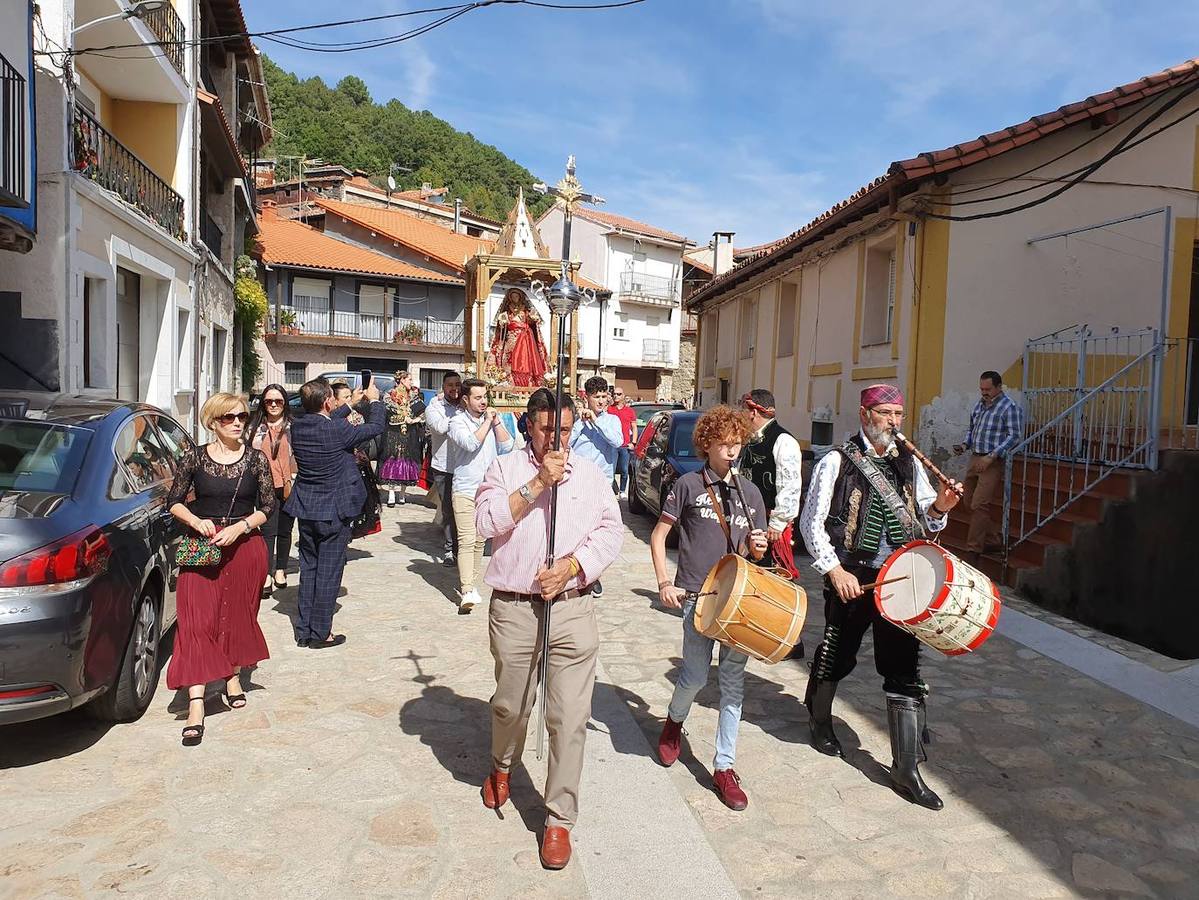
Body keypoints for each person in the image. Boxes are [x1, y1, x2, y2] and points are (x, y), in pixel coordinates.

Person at [475, 388, 624, 869]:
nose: (556, 438)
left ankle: (559, 819)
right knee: (509, 707)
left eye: (563, 429)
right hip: (515, 608)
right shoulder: (505, 469)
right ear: (528, 427)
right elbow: (485, 522)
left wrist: (575, 565)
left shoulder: (594, 477)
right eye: (546, 429)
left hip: (572, 609)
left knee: (568, 718)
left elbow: (611, 530)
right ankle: (502, 764)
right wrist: (538, 483)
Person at [798, 384, 961, 810]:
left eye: (899, 414)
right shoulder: (837, 460)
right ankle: (818, 719)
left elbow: (927, 527)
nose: (894, 422)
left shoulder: (910, 464)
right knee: (838, 653)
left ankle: (906, 768)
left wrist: (941, 508)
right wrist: (834, 570)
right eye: (886, 413)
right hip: (852, 575)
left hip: (901, 577)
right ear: (865, 413)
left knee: (903, 665)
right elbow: (811, 523)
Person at [650, 406, 767, 811]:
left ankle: (724, 766)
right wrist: (666, 582)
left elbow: (758, 551)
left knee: (732, 684)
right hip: (699, 596)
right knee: (695, 677)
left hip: (738, 599)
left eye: (737, 443)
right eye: (724, 444)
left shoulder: (750, 493)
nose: (732, 450)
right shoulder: (687, 484)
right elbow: (659, 534)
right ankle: (673, 724)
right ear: (708, 444)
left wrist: (759, 548)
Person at [166, 393, 275, 746]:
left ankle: (231, 676)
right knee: (196, 622)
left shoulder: (255, 460)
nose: (238, 422)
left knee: (238, 617)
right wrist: (198, 522)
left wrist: (241, 527)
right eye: (229, 417)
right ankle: (197, 702)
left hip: (245, 548)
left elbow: (268, 506)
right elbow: (174, 502)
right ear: (213, 421)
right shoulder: (193, 458)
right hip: (203, 548)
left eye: (242, 416)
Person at [285, 377, 386, 649]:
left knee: (310, 568)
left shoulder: (299, 426)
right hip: (334, 511)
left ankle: (304, 629)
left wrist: (351, 403)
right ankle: (321, 633)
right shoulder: (338, 430)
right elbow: (376, 427)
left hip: (307, 508)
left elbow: (325, 420)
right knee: (329, 572)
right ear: (328, 401)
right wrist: (374, 401)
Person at [448, 378, 514, 612]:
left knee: (478, 541)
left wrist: (496, 423)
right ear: (465, 400)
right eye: (477, 397)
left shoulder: (490, 420)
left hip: (487, 490)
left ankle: (471, 584)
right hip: (465, 489)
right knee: (466, 540)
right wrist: (486, 422)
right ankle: (466, 589)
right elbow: (469, 443)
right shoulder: (457, 422)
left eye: (485, 397)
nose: (483, 401)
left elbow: (507, 447)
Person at [953, 370, 1023, 560]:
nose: (984, 392)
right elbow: (972, 429)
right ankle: (993, 539)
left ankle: (973, 550)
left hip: (992, 461)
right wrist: (964, 445)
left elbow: (1014, 436)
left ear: (999, 387)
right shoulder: (979, 405)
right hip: (975, 456)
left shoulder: (1009, 407)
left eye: (988, 389)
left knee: (979, 504)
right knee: (967, 501)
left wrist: (991, 457)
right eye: (981, 389)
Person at [739, 389, 804, 579]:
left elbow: (790, 484)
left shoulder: (783, 441)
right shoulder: (749, 439)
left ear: (753, 412)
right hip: (747, 518)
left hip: (769, 523)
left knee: (769, 573)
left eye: (744, 409)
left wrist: (778, 522)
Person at [569, 376, 623, 597]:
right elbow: (566, 442)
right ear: (587, 398)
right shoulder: (577, 422)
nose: (600, 401)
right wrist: (581, 424)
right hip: (578, 480)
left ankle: (595, 574)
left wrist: (597, 422)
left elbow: (617, 442)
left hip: (603, 482)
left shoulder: (611, 421)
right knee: (578, 529)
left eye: (603, 397)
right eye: (596, 397)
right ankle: (580, 572)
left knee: (599, 531)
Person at [247, 384, 297, 598]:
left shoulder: (293, 427)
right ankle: (266, 573)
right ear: (263, 404)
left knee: (285, 530)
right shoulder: (254, 427)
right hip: (262, 485)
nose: (274, 405)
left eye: (278, 401)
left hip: (288, 484)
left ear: (285, 402)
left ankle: (280, 569)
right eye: (269, 401)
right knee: (267, 531)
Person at [425, 371, 463, 566]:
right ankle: (450, 549)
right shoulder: (435, 407)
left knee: (465, 510)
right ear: (443, 387)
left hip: (466, 466)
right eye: (450, 385)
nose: (454, 389)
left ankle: (463, 547)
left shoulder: (467, 405)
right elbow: (440, 427)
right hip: (444, 466)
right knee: (448, 510)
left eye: (458, 384)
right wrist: (463, 415)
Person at [379, 370, 427, 507]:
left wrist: (415, 419)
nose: (411, 382)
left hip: (409, 433)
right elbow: (388, 411)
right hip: (393, 432)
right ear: (402, 380)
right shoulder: (390, 395)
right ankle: (392, 495)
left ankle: (402, 494)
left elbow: (424, 412)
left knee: (407, 460)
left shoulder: (413, 395)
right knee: (393, 460)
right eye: (409, 379)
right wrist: (403, 418)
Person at [489, 287, 549, 387]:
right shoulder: (507, 312)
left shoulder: (525, 311)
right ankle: (510, 381)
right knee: (508, 359)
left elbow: (532, 322)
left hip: (524, 338)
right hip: (511, 338)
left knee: (524, 360)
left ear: (520, 297)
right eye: (513, 296)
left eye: (516, 296)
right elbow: (502, 327)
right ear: (510, 298)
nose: (515, 298)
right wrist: (503, 323)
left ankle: (526, 383)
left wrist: (532, 319)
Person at [608, 386, 638, 496]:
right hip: (612, 445)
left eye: (619, 394)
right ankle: (609, 490)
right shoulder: (609, 409)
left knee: (624, 470)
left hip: (625, 445)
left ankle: (622, 491)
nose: (616, 396)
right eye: (614, 394)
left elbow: (634, 427)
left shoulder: (629, 411)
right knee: (611, 469)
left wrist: (633, 442)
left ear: (623, 396)